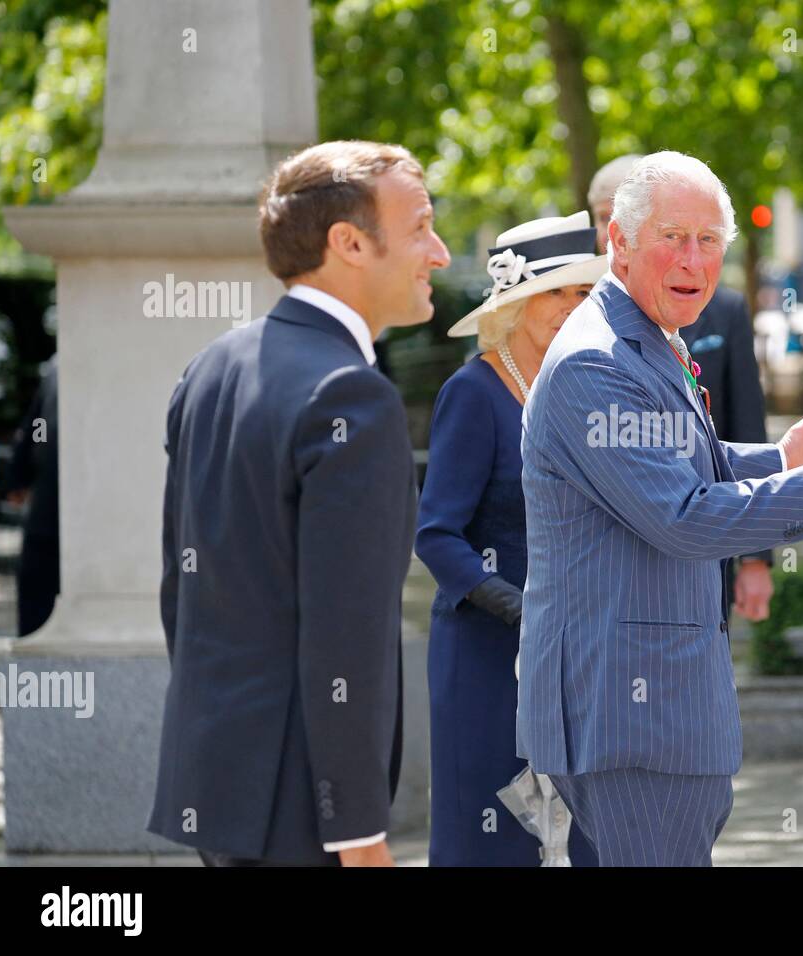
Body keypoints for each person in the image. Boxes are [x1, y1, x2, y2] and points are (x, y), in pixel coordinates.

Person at [517, 151, 803, 866]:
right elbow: (682, 515)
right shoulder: (597, 360)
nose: (694, 259)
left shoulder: (641, 335)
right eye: (672, 237)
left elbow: (674, 463)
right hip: (633, 719)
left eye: (710, 239)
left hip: (653, 712)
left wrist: (788, 460)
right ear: (616, 244)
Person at [148, 140, 450, 866]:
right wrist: (357, 832)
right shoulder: (354, 398)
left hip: (217, 784)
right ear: (348, 243)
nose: (437, 252)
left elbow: (180, 595)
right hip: (304, 814)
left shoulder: (211, 367)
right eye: (419, 227)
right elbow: (347, 633)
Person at [414, 211, 603, 866]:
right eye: (558, 291)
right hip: (488, 658)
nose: (574, 307)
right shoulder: (472, 392)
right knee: (495, 842)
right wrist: (517, 607)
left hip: (576, 656)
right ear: (516, 303)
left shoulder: (578, 390)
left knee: (574, 840)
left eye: (585, 294)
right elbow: (436, 535)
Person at [589, 156, 775, 622]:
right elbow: (674, 509)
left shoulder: (716, 306)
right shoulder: (586, 332)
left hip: (707, 557)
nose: (690, 257)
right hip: (627, 591)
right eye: (599, 215)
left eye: (707, 239)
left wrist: (757, 554)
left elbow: (737, 426)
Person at [6, 357, 60, 636]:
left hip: (49, 505)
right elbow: (35, 427)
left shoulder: (55, 369)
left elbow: (33, 429)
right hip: (50, 500)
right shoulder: (55, 370)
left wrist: (18, 475)